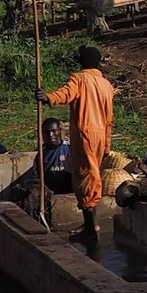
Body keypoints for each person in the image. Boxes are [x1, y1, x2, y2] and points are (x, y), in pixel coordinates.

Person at [41, 47, 117, 249]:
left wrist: (48, 97)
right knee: (91, 176)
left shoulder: (80, 79)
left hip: (85, 133)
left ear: (81, 62)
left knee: (85, 178)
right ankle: (90, 225)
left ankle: (91, 230)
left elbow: (66, 94)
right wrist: (107, 144)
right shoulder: (106, 85)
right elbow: (109, 118)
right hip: (100, 134)